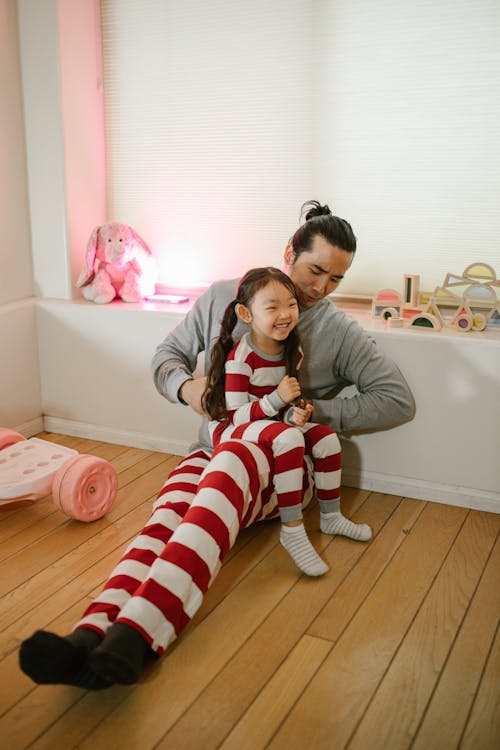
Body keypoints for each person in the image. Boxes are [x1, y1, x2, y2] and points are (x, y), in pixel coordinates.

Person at [19, 201, 415, 689]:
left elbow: (396, 399)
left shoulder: (337, 330)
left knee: (237, 460)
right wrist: (188, 390)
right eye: (315, 271)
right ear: (290, 252)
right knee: (166, 519)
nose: (320, 289)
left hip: (282, 467)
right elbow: (168, 357)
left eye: (335, 279)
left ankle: (135, 637)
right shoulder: (223, 298)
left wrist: (300, 409)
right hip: (213, 453)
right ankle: (89, 637)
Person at [203, 266, 371, 577]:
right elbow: (237, 416)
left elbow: (283, 407)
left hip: (269, 422)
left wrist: (295, 413)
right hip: (237, 428)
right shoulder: (241, 360)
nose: (285, 314)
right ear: (246, 313)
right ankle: (292, 528)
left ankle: (330, 515)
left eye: (291, 304)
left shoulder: (291, 351)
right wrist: (277, 401)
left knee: (327, 438)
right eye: (272, 307)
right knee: (290, 438)